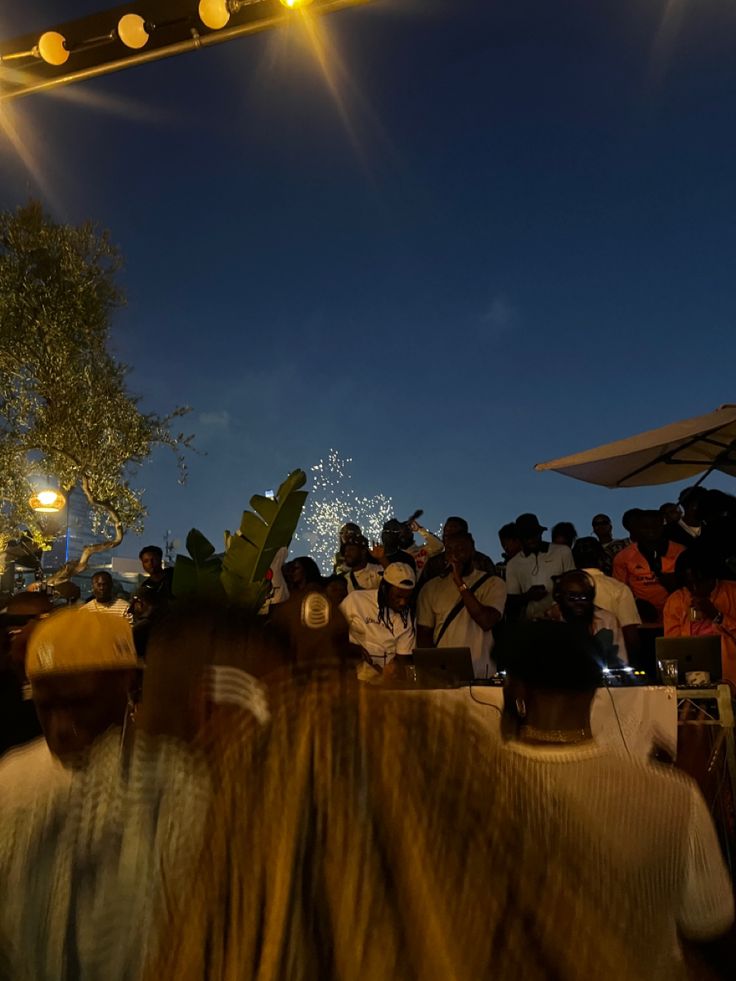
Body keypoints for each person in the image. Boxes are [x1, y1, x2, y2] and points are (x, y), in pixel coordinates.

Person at [498, 620, 734, 978]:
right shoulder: (673, 794)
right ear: (596, 689)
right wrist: (691, 795)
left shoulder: (468, 787)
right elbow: (711, 927)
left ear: (514, 688)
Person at [416, 531, 506, 678]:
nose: (455, 555)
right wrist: (435, 670)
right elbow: (424, 635)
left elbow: (486, 621)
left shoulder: (493, 584)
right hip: (445, 677)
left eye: (461, 550)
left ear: (473, 551)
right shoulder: (431, 588)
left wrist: (459, 582)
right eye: (449, 550)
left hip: (482, 675)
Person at [663, 548, 736, 687]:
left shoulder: (732, 593)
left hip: (731, 677)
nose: (695, 588)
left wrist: (717, 616)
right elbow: (671, 648)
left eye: (700, 582)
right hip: (691, 679)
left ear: (713, 577)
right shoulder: (676, 601)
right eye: (689, 584)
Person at [339, 562, 416, 671]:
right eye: (398, 596)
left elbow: (403, 658)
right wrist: (353, 649)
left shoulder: (407, 616)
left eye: (407, 598)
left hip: (385, 680)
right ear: (384, 589)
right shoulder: (355, 600)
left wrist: (390, 671)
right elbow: (331, 633)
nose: (403, 602)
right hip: (352, 674)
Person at [572, 537, 641, 658]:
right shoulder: (618, 588)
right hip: (612, 661)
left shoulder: (564, 589)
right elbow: (630, 635)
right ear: (602, 559)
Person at [613, 510, 685, 625]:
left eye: (656, 526)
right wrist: (637, 603)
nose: (651, 531)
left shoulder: (680, 551)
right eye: (645, 527)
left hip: (679, 617)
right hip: (643, 620)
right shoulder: (623, 557)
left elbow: (695, 588)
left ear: (663, 526)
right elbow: (619, 591)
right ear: (637, 529)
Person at [548, 570, 627, 667]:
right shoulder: (550, 621)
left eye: (584, 597)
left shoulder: (607, 619)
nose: (579, 603)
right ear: (560, 598)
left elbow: (622, 661)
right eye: (572, 598)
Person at [504, 513, 575, 620]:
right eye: (527, 536)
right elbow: (511, 599)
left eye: (534, 534)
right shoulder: (513, 564)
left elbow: (574, 587)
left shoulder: (563, 552)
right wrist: (528, 596)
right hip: (533, 623)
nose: (531, 539)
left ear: (540, 533)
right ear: (520, 539)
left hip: (562, 621)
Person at [419, 515, 496, 587]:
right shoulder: (434, 563)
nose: (447, 533)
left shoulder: (482, 561)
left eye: (452, 530)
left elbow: (492, 587)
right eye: (446, 530)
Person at [372, 516, 443, 574]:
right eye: (399, 531)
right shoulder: (394, 558)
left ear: (412, 533)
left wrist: (419, 529)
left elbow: (439, 545)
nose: (404, 534)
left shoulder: (423, 551)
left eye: (407, 530)